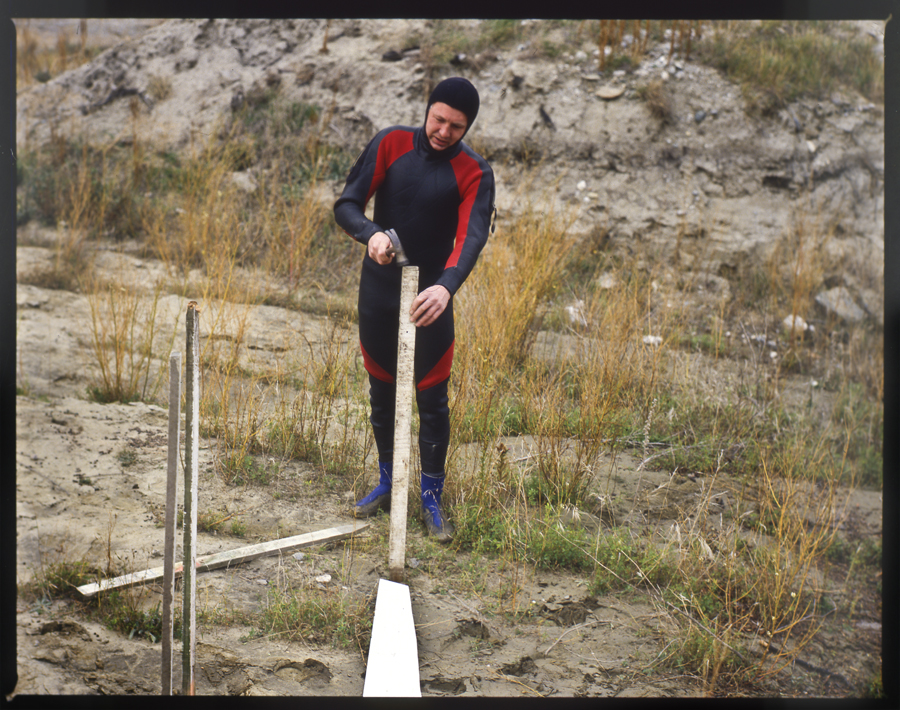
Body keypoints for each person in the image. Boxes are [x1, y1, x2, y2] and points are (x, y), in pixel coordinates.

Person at [333, 77, 495, 542]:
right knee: (381, 391)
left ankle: (431, 498)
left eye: (456, 126)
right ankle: (387, 482)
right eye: (438, 119)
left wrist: (446, 287)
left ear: (468, 128)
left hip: (430, 300)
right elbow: (346, 205)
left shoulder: (475, 173)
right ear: (428, 110)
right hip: (380, 291)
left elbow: (471, 237)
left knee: (432, 399)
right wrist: (371, 233)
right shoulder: (391, 143)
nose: (443, 131)